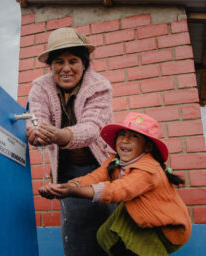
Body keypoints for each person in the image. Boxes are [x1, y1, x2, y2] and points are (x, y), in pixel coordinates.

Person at [39, 112, 192, 256]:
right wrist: (70, 185)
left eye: (133, 137)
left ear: (147, 147)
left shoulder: (149, 169)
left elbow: (119, 190)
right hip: (139, 216)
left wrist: (73, 192)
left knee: (138, 248)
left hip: (166, 229)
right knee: (106, 235)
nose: (125, 140)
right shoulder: (115, 161)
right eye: (122, 135)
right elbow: (95, 176)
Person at [26, 27, 115, 255]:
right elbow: (36, 120)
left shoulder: (99, 86)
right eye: (58, 62)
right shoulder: (39, 88)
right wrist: (36, 134)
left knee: (112, 228)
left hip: (102, 168)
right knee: (76, 235)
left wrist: (59, 135)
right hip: (68, 172)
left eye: (73, 61)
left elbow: (92, 128)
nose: (66, 68)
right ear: (51, 65)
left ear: (84, 64)